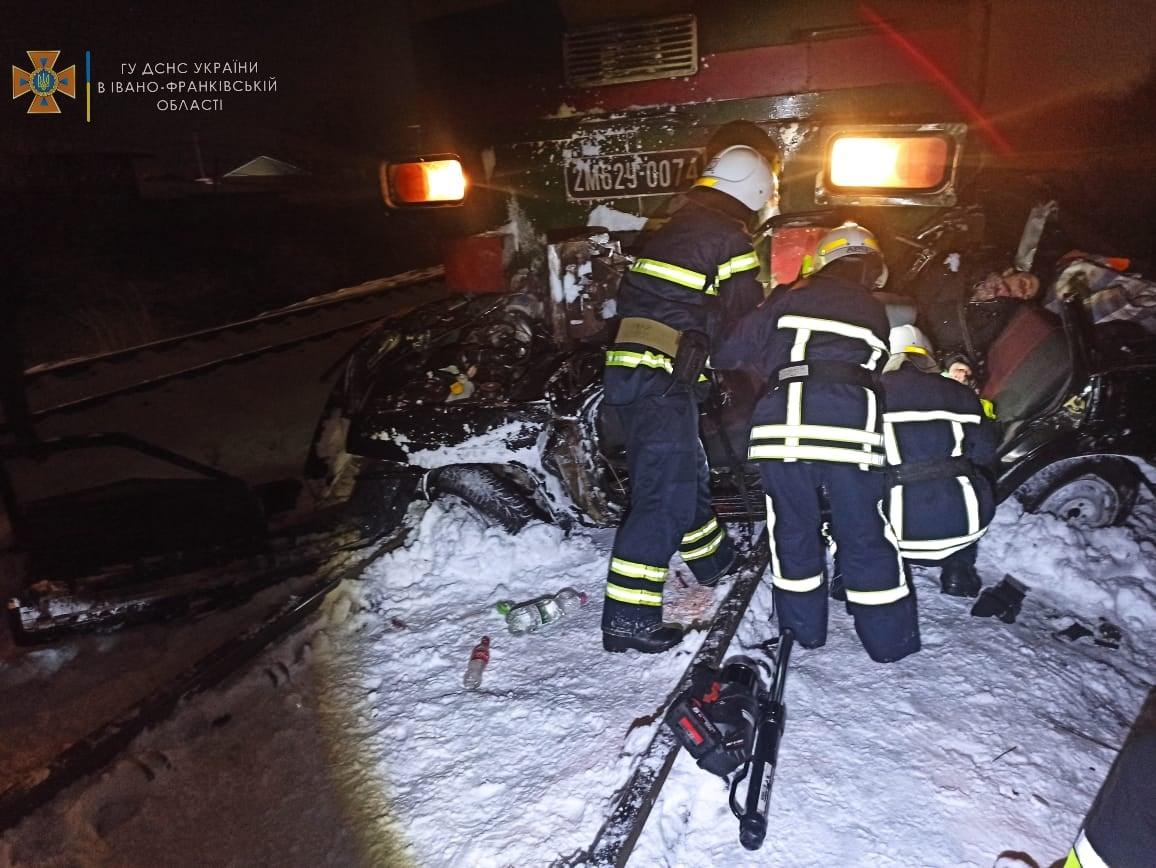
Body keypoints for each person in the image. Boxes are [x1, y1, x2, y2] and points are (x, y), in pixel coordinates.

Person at [714, 221, 919, 663]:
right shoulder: (877, 309)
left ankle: (803, 631)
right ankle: (889, 641)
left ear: (822, 259)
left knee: (793, 528)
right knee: (864, 529)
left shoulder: (791, 295)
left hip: (786, 427)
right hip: (853, 429)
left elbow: (728, 351)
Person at [600, 144, 778, 654]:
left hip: (638, 373)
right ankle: (629, 619)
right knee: (664, 497)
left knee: (685, 479)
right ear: (757, 191)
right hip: (661, 377)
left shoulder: (677, 226)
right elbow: (746, 316)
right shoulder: (729, 237)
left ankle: (715, 563)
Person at [880, 325, 998, 597]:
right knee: (969, 484)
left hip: (899, 536)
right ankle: (959, 573)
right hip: (964, 531)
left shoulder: (870, 396)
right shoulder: (961, 394)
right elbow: (985, 454)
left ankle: (870, 572)